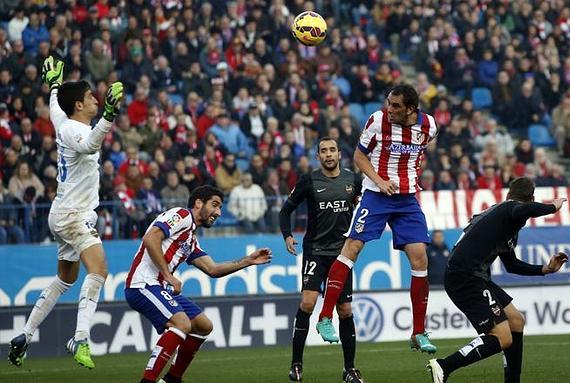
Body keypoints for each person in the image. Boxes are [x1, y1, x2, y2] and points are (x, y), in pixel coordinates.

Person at [9, 56, 124, 369]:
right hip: (74, 214)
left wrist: (54, 84)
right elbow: (89, 145)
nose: (95, 100)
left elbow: (54, 107)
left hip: (63, 212)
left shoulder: (63, 119)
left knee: (65, 279)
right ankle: (81, 338)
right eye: (89, 97)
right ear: (77, 105)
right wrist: (110, 115)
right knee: (99, 271)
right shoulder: (75, 129)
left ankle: (25, 334)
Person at [316, 84, 439, 354]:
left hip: (407, 198)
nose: (389, 109)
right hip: (376, 194)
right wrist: (380, 181)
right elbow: (359, 156)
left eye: (396, 106)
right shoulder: (377, 120)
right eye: (388, 103)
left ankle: (419, 332)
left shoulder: (429, 125)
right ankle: (325, 316)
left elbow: (419, 151)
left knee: (420, 258)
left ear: (411, 109)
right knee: (352, 248)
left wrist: (408, 175)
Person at [125, 185, 272, 383]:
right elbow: (151, 238)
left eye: (220, 208)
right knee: (182, 323)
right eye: (215, 205)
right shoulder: (181, 215)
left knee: (203, 325)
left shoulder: (191, 239)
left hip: (159, 286)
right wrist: (168, 275)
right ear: (198, 203)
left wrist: (247, 261)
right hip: (142, 284)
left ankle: (173, 378)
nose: (218, 212)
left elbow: (213, 269)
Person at [427, 177, 568, 383]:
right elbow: (520, 210)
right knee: (502, 337)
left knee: (516, 321)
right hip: (465, 277)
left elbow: (511, 265)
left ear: (508, 194)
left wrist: (544, 269)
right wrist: (552, 208)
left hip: (476, 276)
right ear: (529, 200)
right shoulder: (510, 210)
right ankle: (444, 365)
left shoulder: (504, 222)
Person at [279, 137, 364, 383]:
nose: (328, 154)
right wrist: (287, 236)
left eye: (332, 150)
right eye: (323, 151)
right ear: (318, 157)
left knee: (345, 310)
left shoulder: (353, 181)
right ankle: (296, 364)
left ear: (339, 154)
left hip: (343, 254)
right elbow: (285, 211)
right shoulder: (309, 181)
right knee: (307, 303)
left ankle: (350, 369)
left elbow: (365, 206)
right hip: (316, 250)